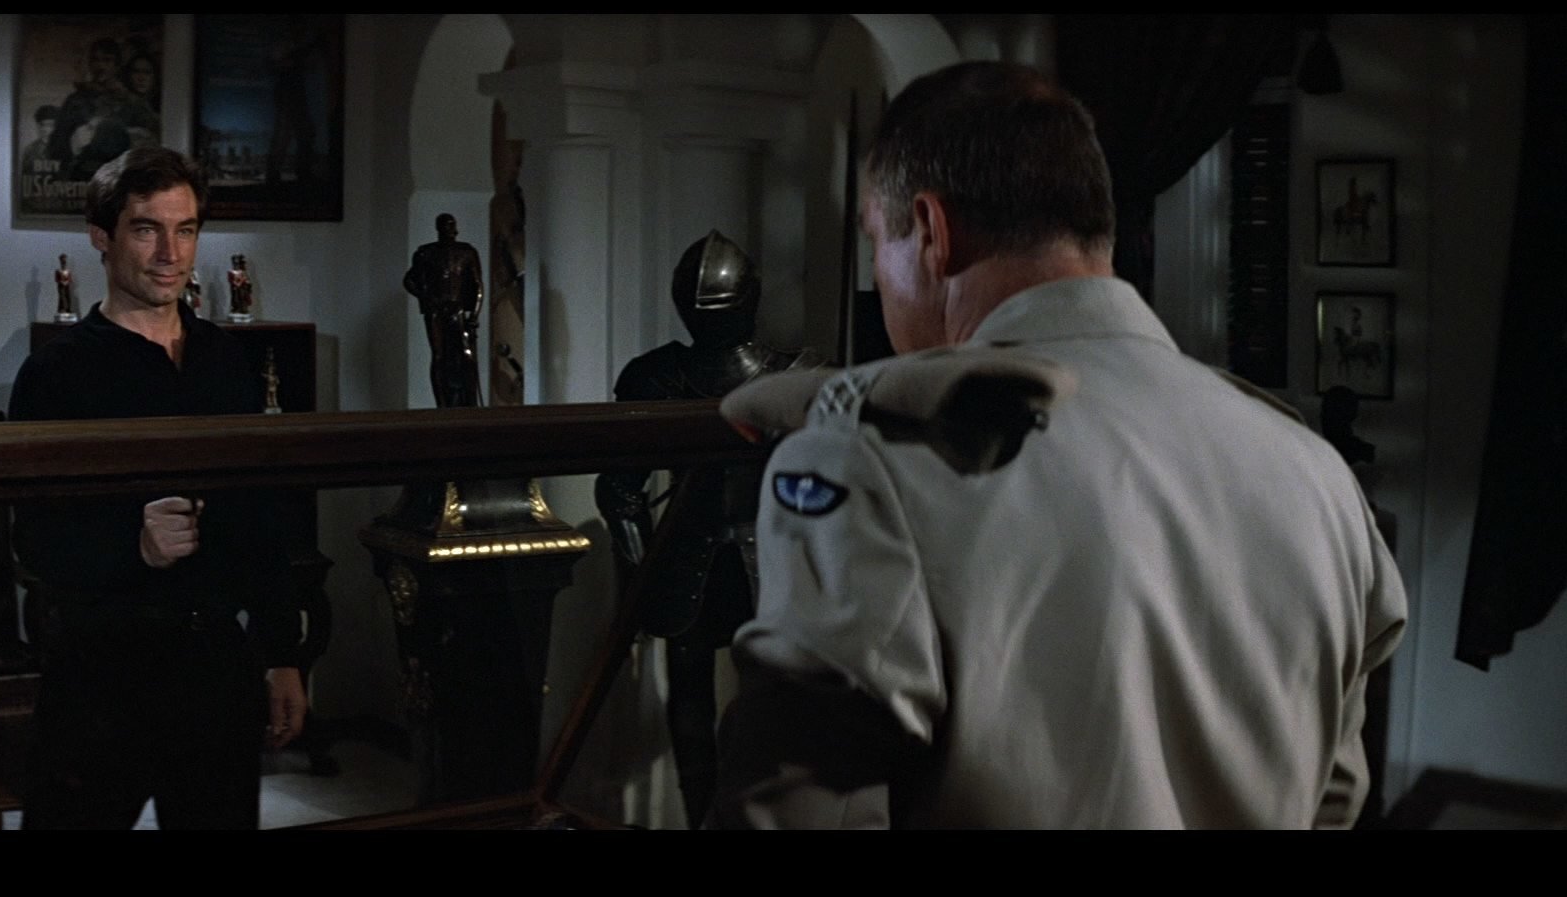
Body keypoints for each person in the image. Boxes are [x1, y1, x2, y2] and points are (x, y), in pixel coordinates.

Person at [712, 61, 1407, 829]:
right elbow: (1334, 798)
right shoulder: (1315, 473)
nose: (881, 276)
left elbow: (796, 814)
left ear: (932, 232)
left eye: (880, 241)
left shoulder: (874, 464)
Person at [8, 146, 311, 830]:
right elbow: (35, 539)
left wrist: (282, 654)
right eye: (147, 230)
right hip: (102, 675)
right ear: (102, 237)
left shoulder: (223, 360)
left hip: (215, 670)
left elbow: (261, 518)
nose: (170, 254)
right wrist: (134, 547)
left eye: (186, 230)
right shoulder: (57, 373)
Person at [595, 230, 811, 828]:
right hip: (702, 554)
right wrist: (641, 576)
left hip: (736, 556)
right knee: (703, 710)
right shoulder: (660, 377)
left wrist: (642, 572)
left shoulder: (790, 374)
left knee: (760, 710)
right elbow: (619, 490)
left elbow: (620, 493)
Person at [401, 213, 484, 407]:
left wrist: (474, 314)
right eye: (445, 226)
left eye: (451, 225)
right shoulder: (426, 253)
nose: (449, 230)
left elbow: (478, 285)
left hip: (458, 308)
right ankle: (442, 404)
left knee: (467, 354)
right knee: (438, 356)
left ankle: (470, 402)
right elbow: (409, 281)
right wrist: (427, 298)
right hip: (436, 310)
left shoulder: (466, 252)